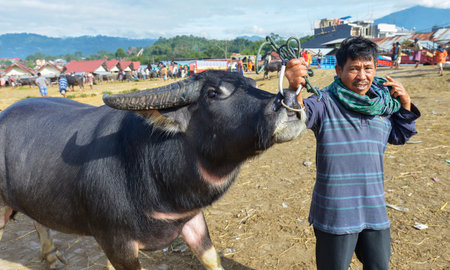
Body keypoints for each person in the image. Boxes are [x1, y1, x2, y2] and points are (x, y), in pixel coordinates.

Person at [285, 36, 420, 270]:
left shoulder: (384, 105)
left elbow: (400, 136)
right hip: (335, 212)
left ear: (376, 68)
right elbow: (297, 116)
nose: (362, 76)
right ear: (338, 70)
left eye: (368, 68)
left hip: (374, 209)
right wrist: (294, 87)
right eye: (354, 68)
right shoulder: (325, 102)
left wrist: (405, 103)